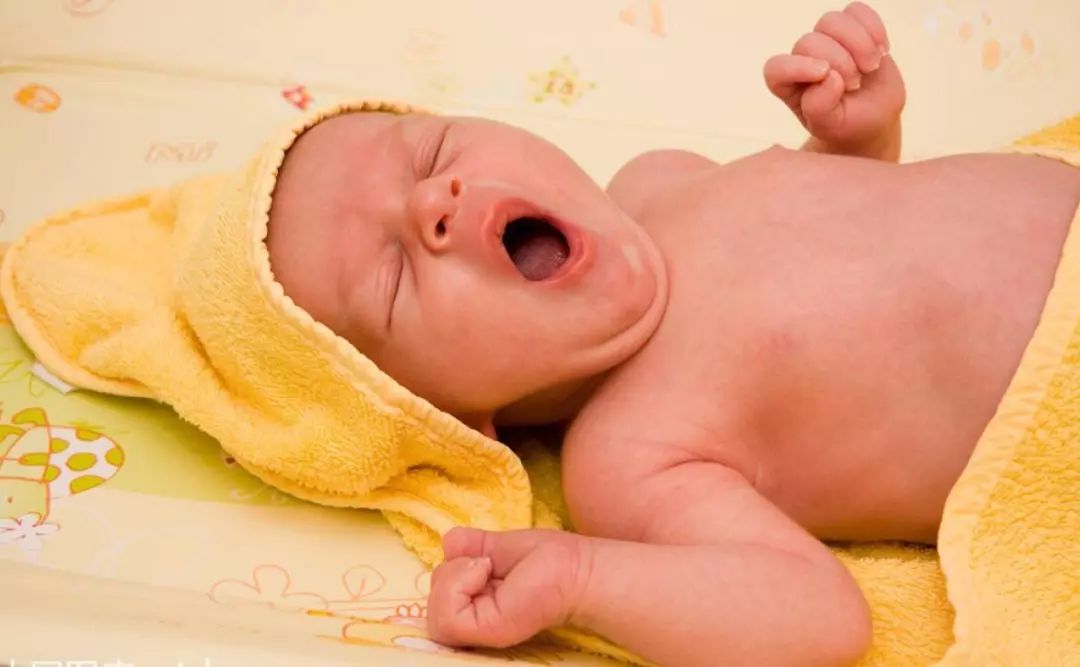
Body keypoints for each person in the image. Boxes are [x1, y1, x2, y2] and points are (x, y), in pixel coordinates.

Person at [265, 3, 1080, 665]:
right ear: (447, 416)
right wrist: (581, 578)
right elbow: (818, 614)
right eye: (392, 279)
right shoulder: (624, 456)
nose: (432, 202)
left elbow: (857, 236)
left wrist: (854, 137)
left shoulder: (660, 177)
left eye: (431, 152)